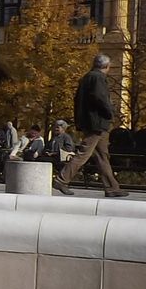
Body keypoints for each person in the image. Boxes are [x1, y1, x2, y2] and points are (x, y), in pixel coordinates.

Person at [58, 53, 127, 198]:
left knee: (102, 156)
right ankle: (62, 180)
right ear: (106, 66)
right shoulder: (98, 78)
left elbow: (79, 99)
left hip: (90, 121)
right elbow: (100, 98)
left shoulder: (87, 77)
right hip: (97, 122)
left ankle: (112, 187)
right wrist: (110, 112)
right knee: (84, 153)